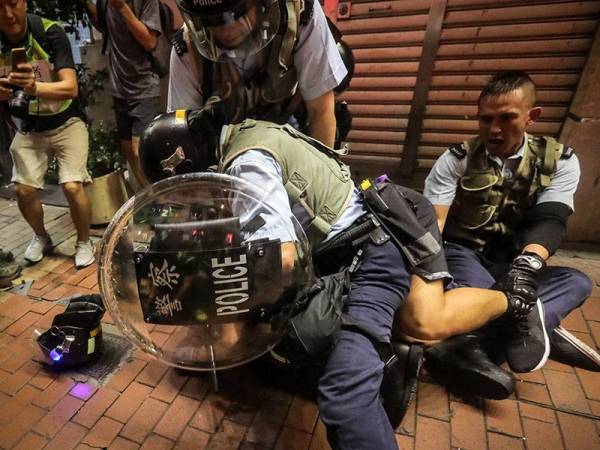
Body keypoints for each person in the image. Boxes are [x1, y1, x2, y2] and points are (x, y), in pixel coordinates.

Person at [137, 109, 550, 449]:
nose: (191, 198)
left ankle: (516, 297)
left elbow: (279, 260)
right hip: (362, 232)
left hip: (379, 235)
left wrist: (201, 285)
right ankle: (489, 304)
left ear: (190, 163)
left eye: (186, 188)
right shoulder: (241, 138)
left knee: (353, 385)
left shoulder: (246, 164)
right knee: (425, 320)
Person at [423, 70, 597, 392]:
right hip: (465, 253)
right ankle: (529, 322)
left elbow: (552, 219)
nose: (494, 129)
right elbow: (435, 224)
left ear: (532, 117)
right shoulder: (456, 159)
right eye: (485, 119)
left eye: (506, 118)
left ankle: (471, 346)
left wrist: (526, 270)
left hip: (515, 259)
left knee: (577, 282)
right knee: (481, 292)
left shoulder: (560, 161)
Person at [168, 0, 347, 147]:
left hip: (292, 138)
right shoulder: (187, 48)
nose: (225, 30)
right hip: (225, 150)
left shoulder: (300, 14)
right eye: (211, 20)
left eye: (235, 15)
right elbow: (183, 134)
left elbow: (320, 111)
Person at [0, 0, 95, 268]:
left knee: (72, 185)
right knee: (22, 190)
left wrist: (34, 88)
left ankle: (84, 241)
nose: (8, 15)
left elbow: (70, 87)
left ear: (24, 3)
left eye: (13, 4)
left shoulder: (49, 31)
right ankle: (41, 236)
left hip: (67, 121)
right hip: (29, 126)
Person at [85, 0, 162, 188]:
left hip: (144, 87)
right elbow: (104, 27)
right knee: (129, 153)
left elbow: (150, 42)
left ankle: (162, 201)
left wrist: (121, 7)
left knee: (140, 152)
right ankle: (150, 199)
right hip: (120, 89)